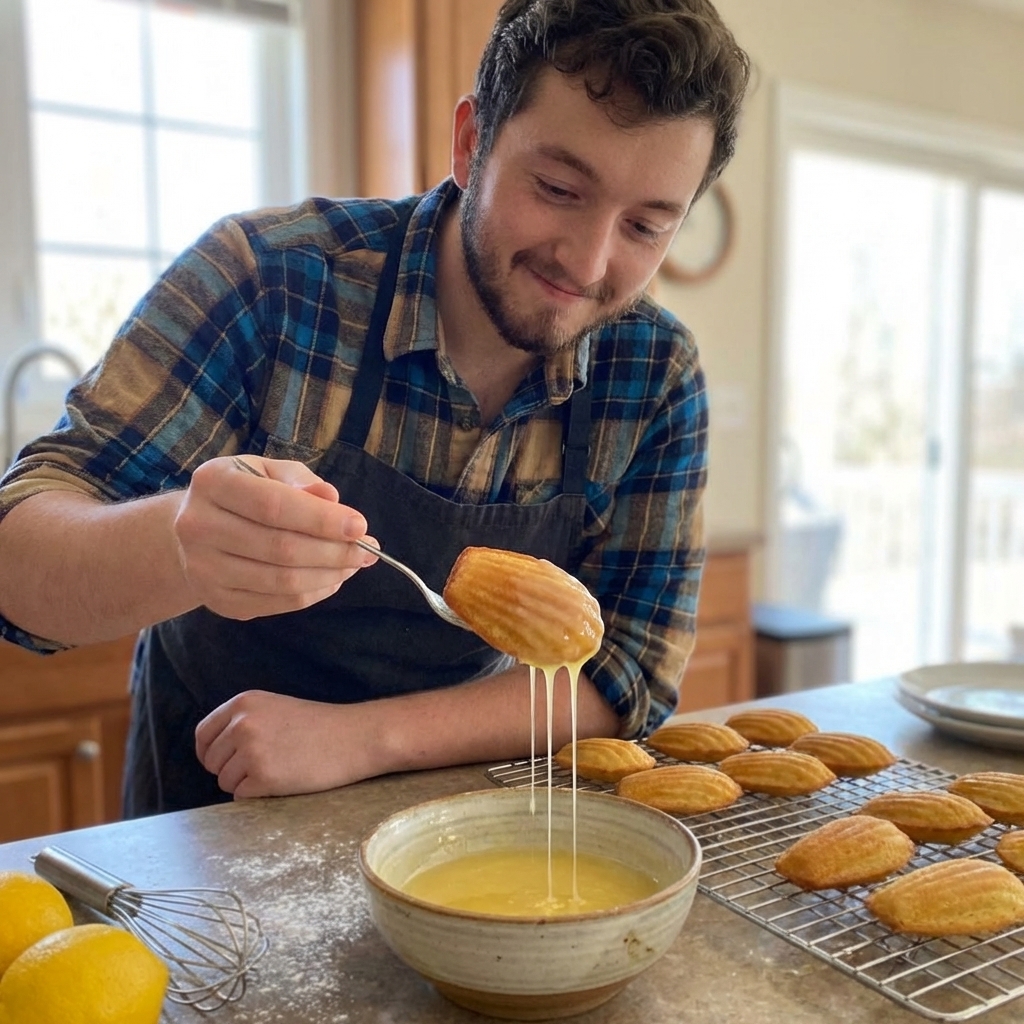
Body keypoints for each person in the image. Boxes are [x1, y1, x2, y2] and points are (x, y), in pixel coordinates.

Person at [0, 0, 749, 816]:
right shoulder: (271, 282)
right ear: (472, 144)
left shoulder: (654, 373)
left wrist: (362, 738)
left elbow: (630, 673)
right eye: (559, 188)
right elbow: (18, 563)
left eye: (644, 225)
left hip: (467, 823)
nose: (589, 260)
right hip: (211, 816)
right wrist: (181, 542)